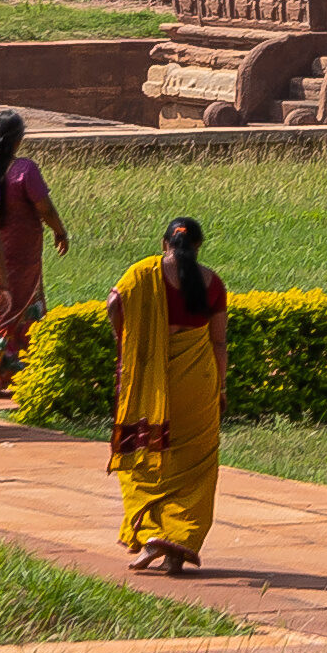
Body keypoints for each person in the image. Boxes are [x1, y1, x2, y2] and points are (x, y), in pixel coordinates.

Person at [107, 218, 226, 574]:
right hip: (197, 383)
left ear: (165, 243)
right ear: (199, 246)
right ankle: (179, 543)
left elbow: (114, 304)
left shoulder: (142, 275)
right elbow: (218, 342)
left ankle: (150, 536)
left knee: (142, 454)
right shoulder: (212, 282)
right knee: (196, 467)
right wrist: (219, 387)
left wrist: (126, 341)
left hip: (149, 383)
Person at [0, 108, 71, 401]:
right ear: (18, 139)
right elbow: (44, 207)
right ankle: (5, 373)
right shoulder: (24, 169)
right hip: (23, 256)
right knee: (23, 311)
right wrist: (59, 231)